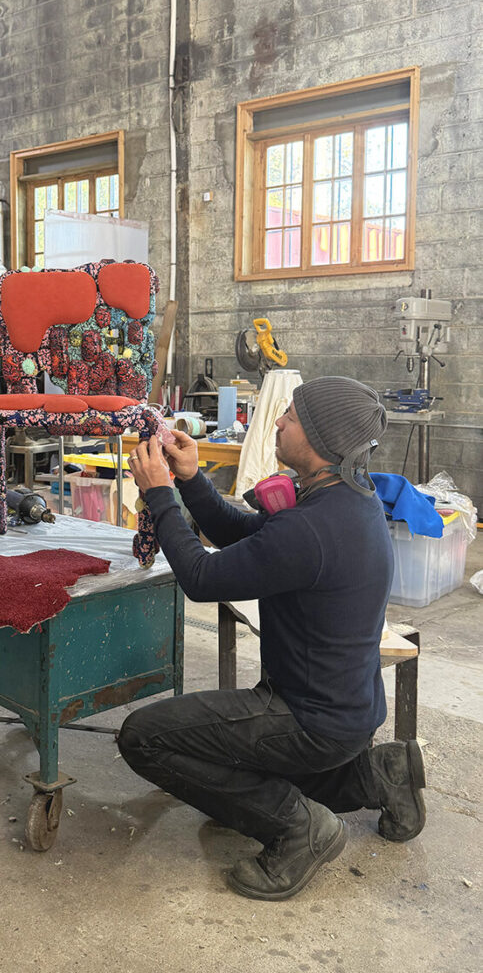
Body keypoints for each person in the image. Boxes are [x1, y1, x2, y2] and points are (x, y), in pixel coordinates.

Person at [120, 376, 426, 901]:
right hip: (346, 713)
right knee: (246, 770)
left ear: (321, 440)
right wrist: (191, 481)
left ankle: (298, 830)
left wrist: (159, 496)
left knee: (143, 737)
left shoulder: (309, 528)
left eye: (291, 415)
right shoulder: (350, 501)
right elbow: (247, 536)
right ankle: (378, 773)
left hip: (308, 722)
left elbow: (200, 579)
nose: (279, 422)